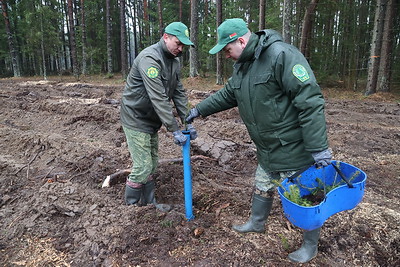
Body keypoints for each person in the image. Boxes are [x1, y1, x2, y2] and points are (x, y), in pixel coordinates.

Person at [186, 18, 332, 263]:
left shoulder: (281, 55)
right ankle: (257, 222)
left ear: (241, 40)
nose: (226, 55)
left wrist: (318, 148)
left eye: (227, 49)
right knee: (263, 184)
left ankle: (310, 245)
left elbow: (310, 102)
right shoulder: (243, 65)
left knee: (304, 195)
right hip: (267, 148)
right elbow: (228, 94)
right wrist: (199, 110)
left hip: (293, 147)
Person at [120, 22, 197, 212]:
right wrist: (174, 129)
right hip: (136, 116)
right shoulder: (149, 59)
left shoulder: (174, 60)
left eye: (183, 46)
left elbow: (178, 92)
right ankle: (130, 208)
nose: (180, 49)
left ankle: (148, 204)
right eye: (178, 44)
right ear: (165, 37)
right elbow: (158, 97)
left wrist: (187, 121)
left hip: (151, 119)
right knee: (143, 165)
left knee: (152, 164)